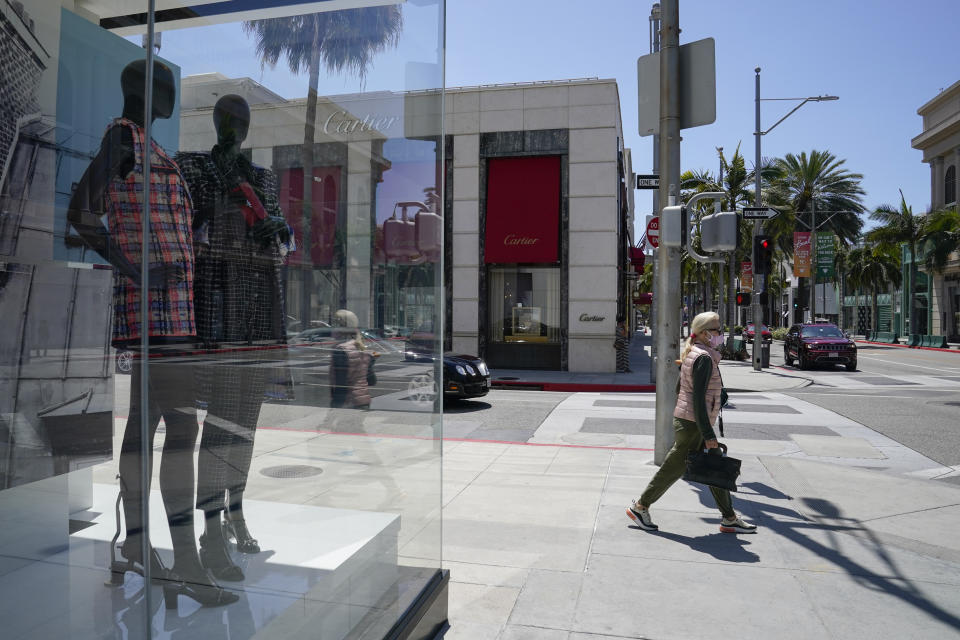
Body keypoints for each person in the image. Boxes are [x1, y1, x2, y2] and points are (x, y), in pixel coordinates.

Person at [67, 59, 236, 607]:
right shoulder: (124, 138)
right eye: (165, 86)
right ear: (142, 89)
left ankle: (140, 544)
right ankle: (184, 559)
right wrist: (135, 267)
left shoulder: (146, 147)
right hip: (156, 316)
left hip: (172, 315)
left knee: (148, 431)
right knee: (181, 433)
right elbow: (81, 213)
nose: (171, 94)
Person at [175, 95, 290, 581]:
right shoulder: (194, 169)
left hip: (259, 308)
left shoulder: (263, 177)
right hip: (217, 305)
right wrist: (220, 214)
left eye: (241, 120)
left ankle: (236, 511)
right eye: (226, 117)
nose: (233, 126)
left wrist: (278, 232)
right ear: (215, 120)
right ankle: (211, 527)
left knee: (247, 424)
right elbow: (183, 230)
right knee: (220, 423)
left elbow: (282, 246)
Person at [626, 311, 757, 534]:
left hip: (689, 420)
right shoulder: (704, 359)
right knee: (673, 468)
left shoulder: (695, 353)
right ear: (705, 333)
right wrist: (708, 434)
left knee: (715, 467)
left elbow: (680, 389)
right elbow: (697, 399)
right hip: (693, 424)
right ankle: (641, 506)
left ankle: (729, 517)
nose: (720, 333)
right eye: (717, 329)